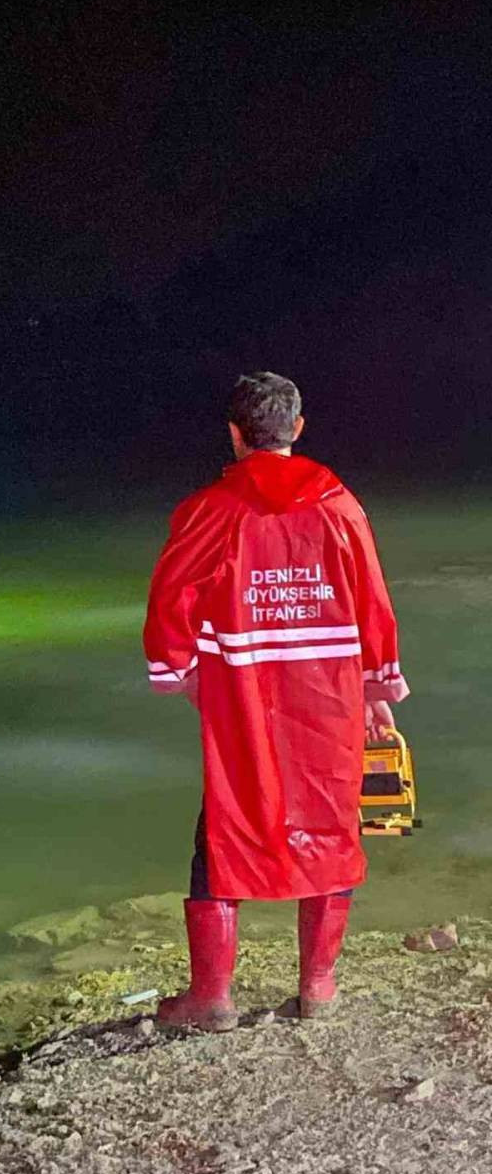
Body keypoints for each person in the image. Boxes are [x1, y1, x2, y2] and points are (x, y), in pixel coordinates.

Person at [142, 371, 408, 1032]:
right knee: (330, 822)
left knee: (225, 826)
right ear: (297, 428)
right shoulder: (340, 506)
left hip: (243, 693)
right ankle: (317, 985)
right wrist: (378, 687)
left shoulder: (209, 510)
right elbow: (373, 602)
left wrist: (182, 675)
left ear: (234, 434)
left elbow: (170, 602)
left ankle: (213, 998)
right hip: (329, 694)